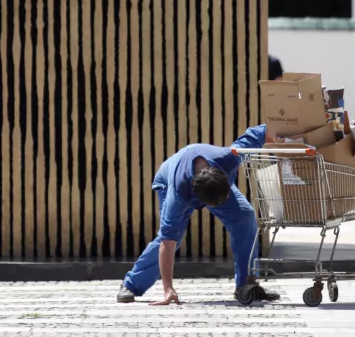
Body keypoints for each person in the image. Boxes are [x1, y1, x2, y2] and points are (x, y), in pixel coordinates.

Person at [116, 124, 273, 305]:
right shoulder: (178, 195)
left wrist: (286, 135)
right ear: (200, 199)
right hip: (167, 180)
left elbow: (260, 132)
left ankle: (246, 283)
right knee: (173, 237)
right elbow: (167, 241)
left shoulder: (229, 158)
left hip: (212, 182)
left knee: (245, 216)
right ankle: (131, 285)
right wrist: (168, 289)